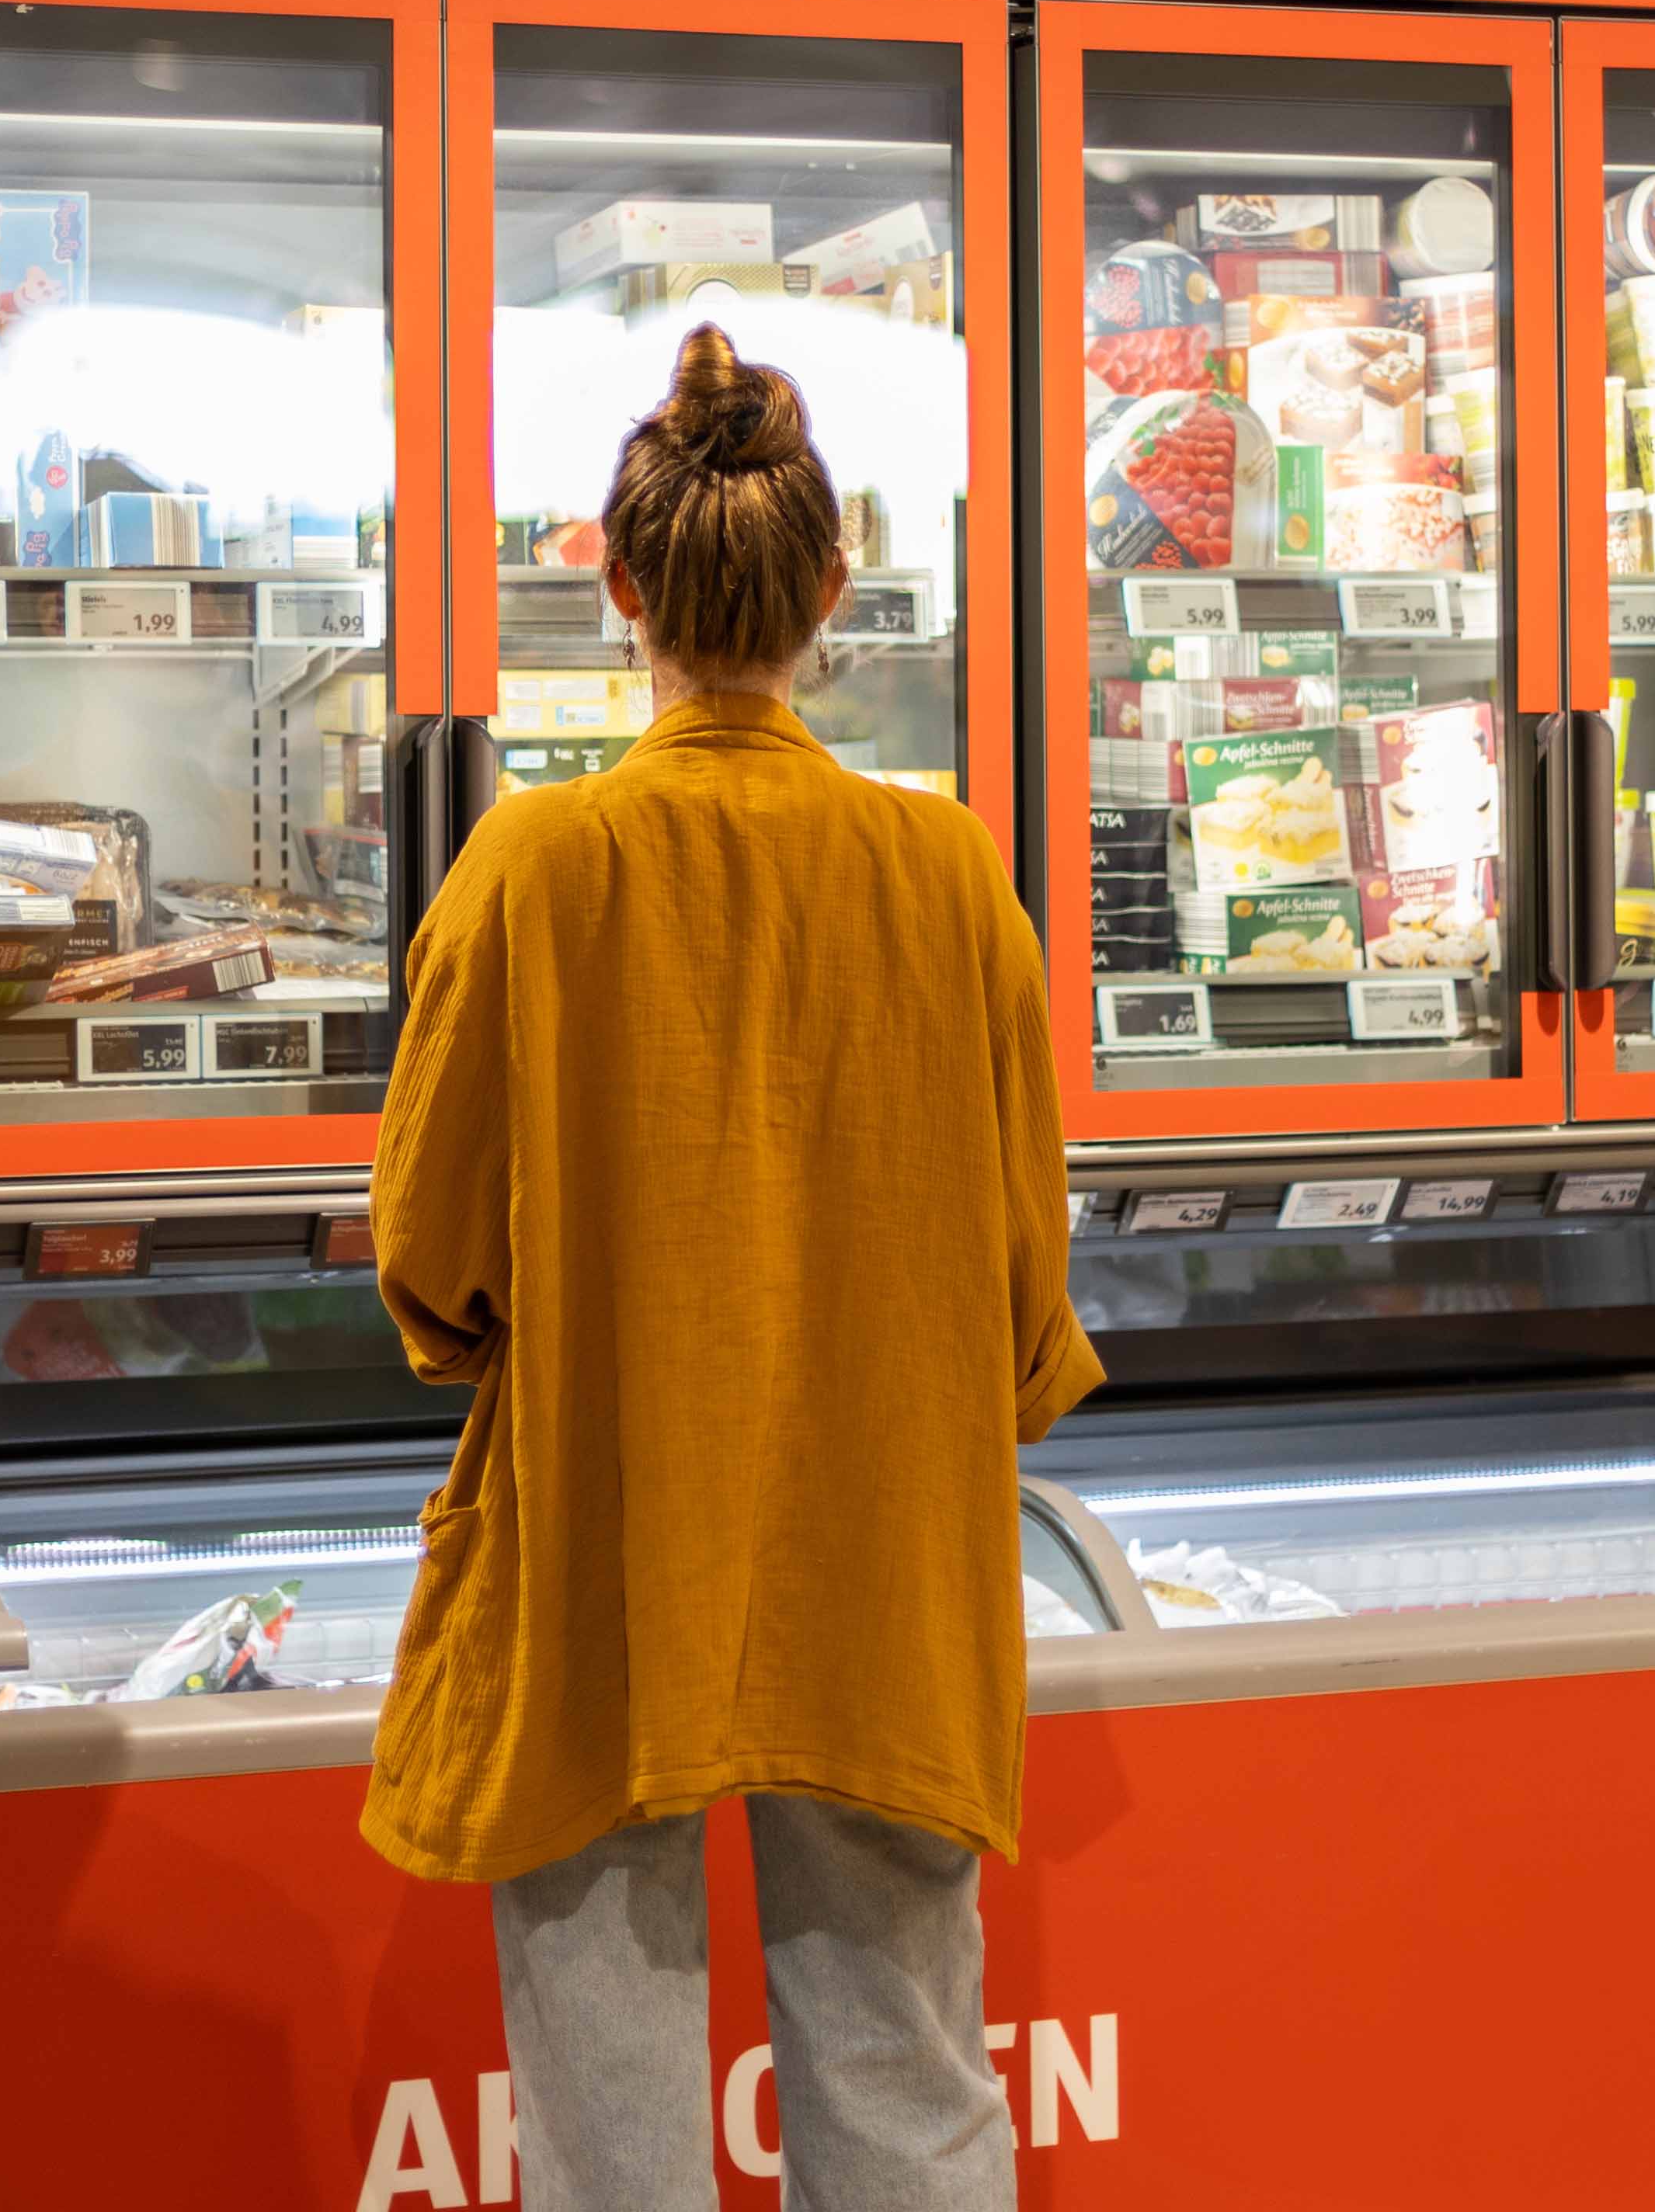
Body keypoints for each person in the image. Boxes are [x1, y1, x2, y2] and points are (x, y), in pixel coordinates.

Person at [363, 322, 1103, 2212]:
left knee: (613, 2121)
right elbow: (1028, 1297)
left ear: (617, 587)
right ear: (834, 588)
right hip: (887, 1552)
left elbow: (430, 1262)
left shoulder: (531, 866)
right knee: (908, 2076)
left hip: (609, 1541)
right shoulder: (953, 874)